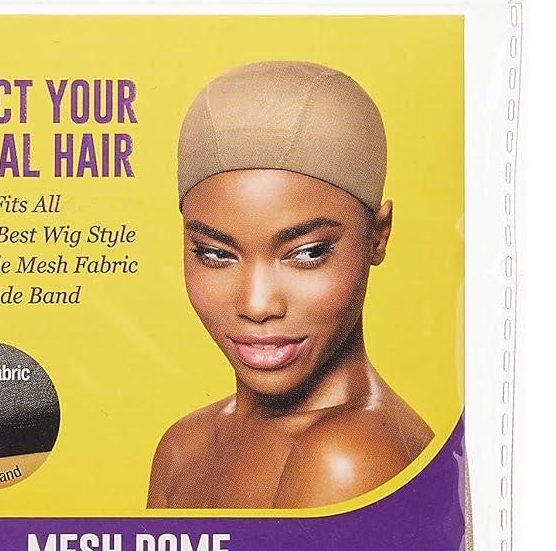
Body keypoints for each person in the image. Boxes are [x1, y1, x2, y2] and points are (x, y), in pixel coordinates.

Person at [148, 60, 431, 509]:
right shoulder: (184, 446)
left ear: (377, 237)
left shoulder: (349, 459)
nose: (258, 305)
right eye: (216, 254)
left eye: (308, 253)